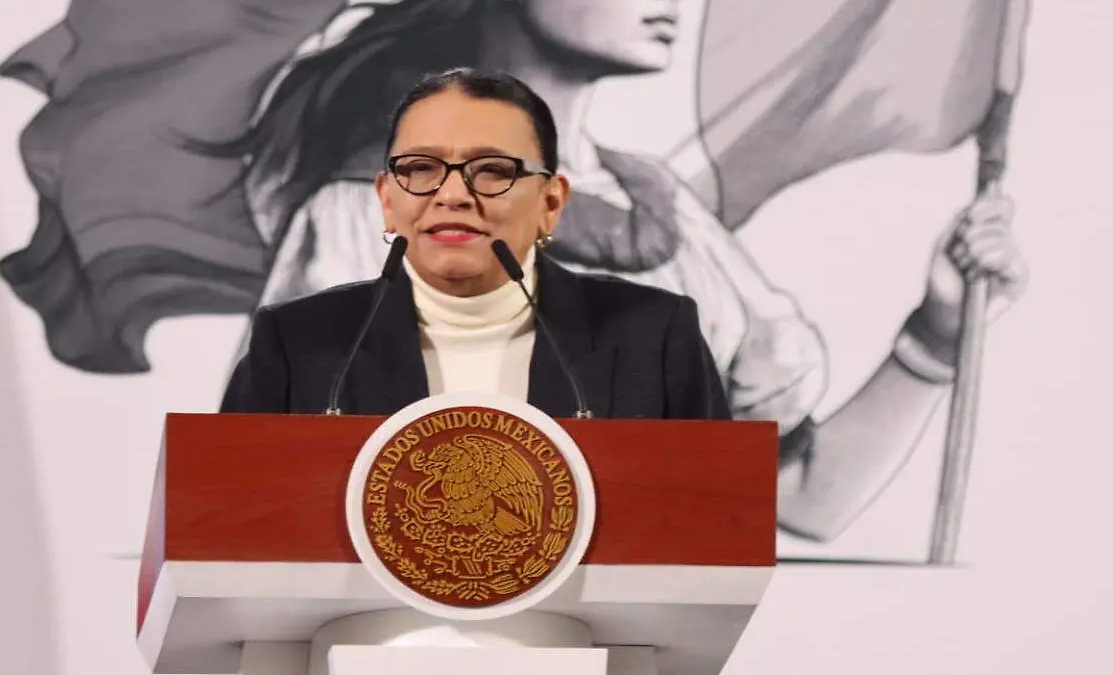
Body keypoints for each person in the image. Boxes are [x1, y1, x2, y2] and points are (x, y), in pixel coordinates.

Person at [217, 0, 1027, 543]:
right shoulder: (376, 210)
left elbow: (799, 496)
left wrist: (936, 334)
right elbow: (275, 500)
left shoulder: (666, 215)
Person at [220, 68, 733, 422]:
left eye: (492, 170)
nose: (452, 195)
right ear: (387, 201)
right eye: (421, 168)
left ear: (550, 203)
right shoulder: (296, 344)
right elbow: (230, 521)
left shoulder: (655, 337)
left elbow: (710, 520)